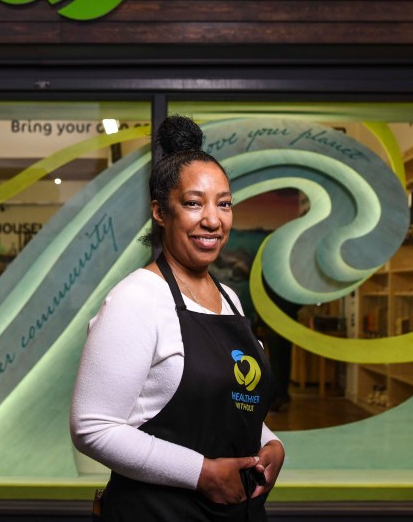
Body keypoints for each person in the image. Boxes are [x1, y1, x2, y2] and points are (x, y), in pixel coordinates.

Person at [70, 115, 285, 521]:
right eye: (193, 203)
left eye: (224, 203)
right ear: (160, 212)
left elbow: (227, 401)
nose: (213, 219)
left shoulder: (229, 300)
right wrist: (201, 473)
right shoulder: (137, 299)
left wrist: (269, 442)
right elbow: (92, 427)